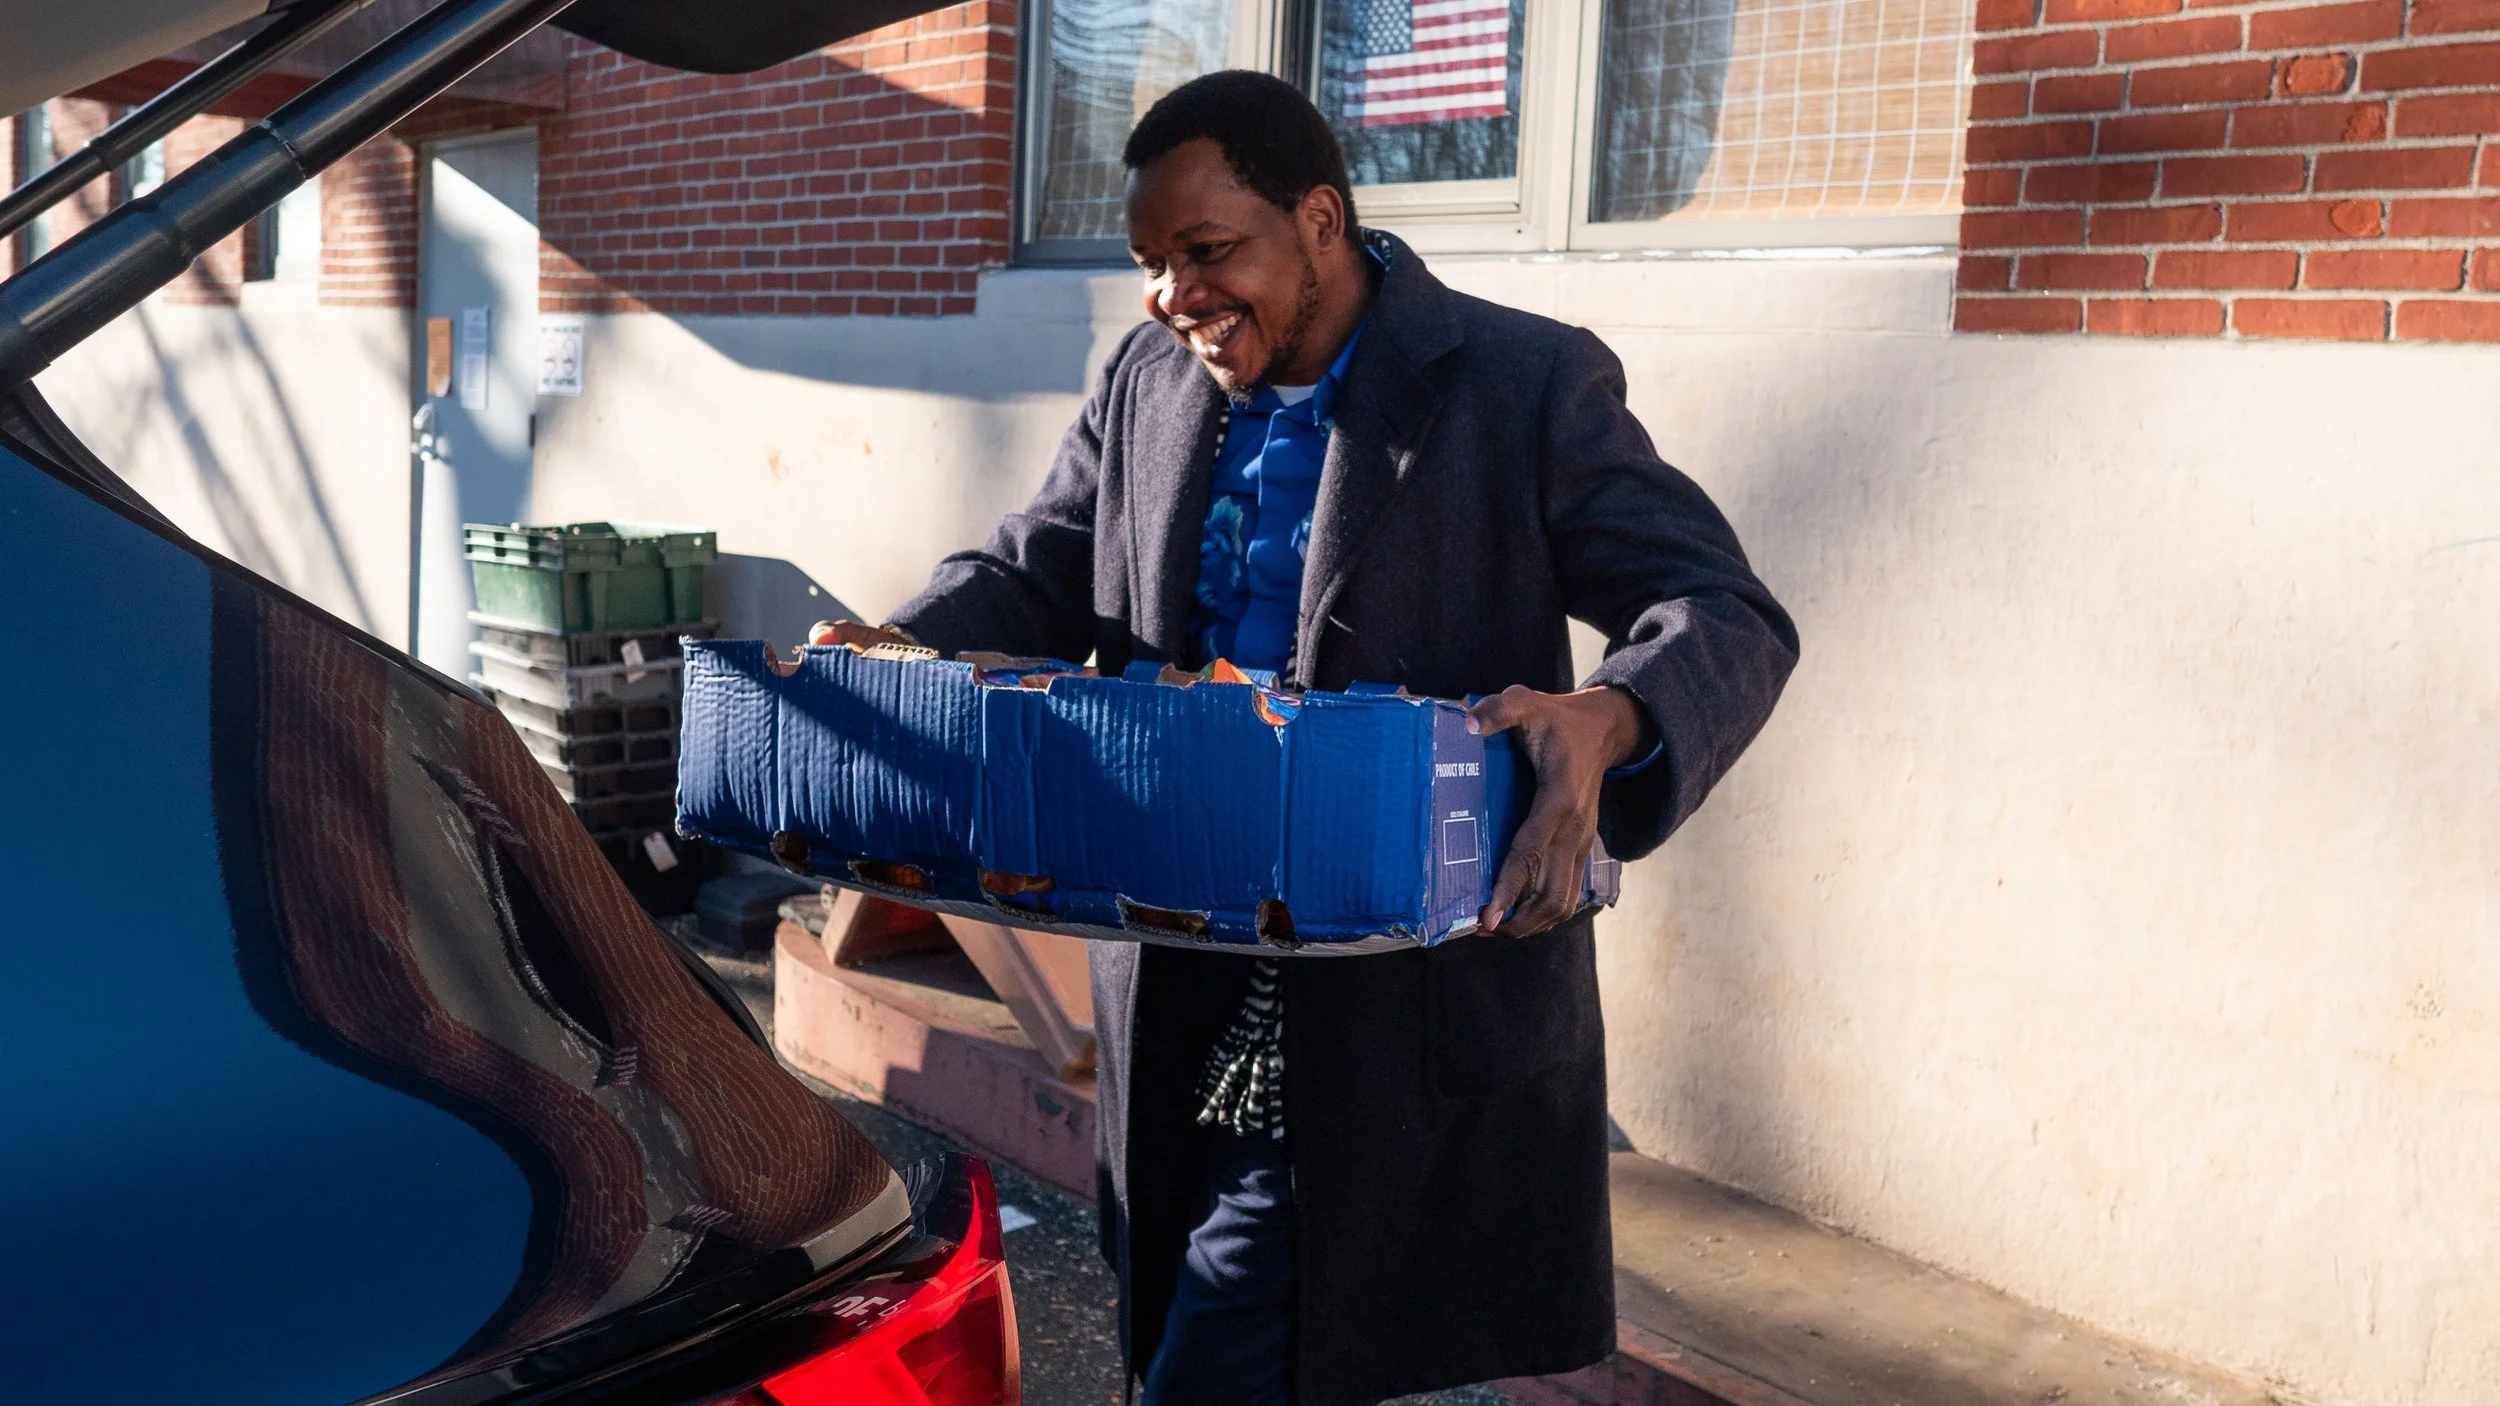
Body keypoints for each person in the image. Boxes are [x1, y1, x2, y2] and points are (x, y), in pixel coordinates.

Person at [818, 70, 1797, 1406]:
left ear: (1320, 221)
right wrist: (901, 643)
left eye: (1208, 251)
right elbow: (1037, 566)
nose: (1174, 294)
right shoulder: (1148, 377)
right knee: (1215, 1324)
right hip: (1176, 989)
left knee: (1223, 1359)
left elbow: (1725, 612)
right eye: (1153, 262)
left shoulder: (1522, 382)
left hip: (1394, 1026)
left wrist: (1611, 709)